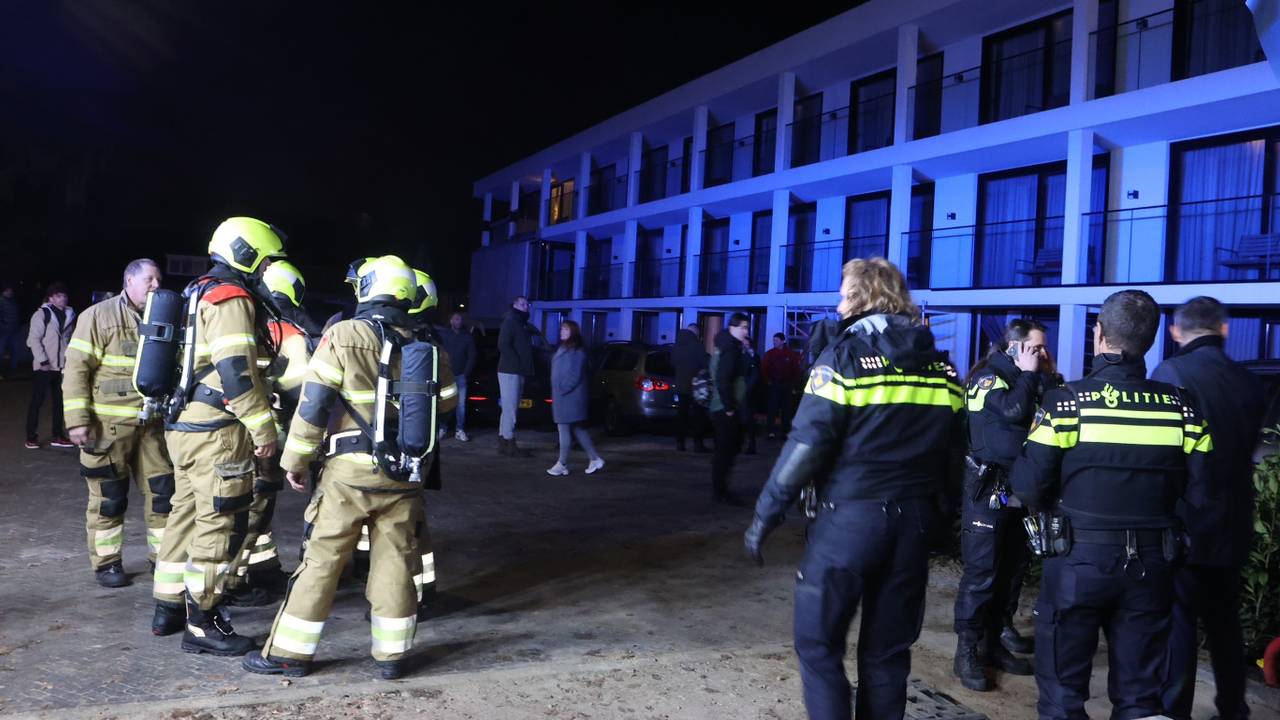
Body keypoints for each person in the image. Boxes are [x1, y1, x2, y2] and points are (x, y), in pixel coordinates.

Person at [744, 257, 964, 720]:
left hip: (850, 522)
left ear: (861, 297)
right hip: (913, 527)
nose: (838, 302)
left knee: (819, 646)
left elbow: (807, 444)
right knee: (887, 657)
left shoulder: (843, 360)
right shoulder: (942, 370)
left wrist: (766, 513)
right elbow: (954, 456)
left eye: (844, 293)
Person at [243, 255, 457, 680]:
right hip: (404, 474)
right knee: (396, 560)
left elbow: (314, 404)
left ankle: (288, 653)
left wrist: (295, 461)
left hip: (348, 473)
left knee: (322, 559)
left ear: (368, 288)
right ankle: (392, 656)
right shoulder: (429, 343)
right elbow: (446, 403)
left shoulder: (345, 333)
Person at [1011, 289, 1213, 720]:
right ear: (1152, 340)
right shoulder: (1180, 408)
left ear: (1098, 334)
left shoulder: (1067, 403)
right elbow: (1205, 488)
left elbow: (1027, 486)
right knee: (1141, 700)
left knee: (1063, 698)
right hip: (1153, 566)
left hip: (1076, 566)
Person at [150, 217, 286, 654]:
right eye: (265, 263)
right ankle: (204, 625)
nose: (266, 272)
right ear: (248, 255)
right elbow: (236, 370)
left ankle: (168, 607)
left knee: (184, 514)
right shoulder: (229, 298)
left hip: (184, 426)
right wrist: (263, 428)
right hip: (217, 433)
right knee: (217, 521)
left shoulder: (196, 292)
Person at [1155, 297, 1264, 720]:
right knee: (1225, 624)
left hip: (1186, 519)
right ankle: (1233, 708)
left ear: (1176, 331)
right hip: (1234, 520)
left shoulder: (1171, 373)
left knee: (1180, 623)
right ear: (1224, 330)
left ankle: (1175, 710)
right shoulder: (1249, 381)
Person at [62, 259, 173, 588]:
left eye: (159, 280)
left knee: (164, 495)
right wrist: (77, 421)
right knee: (109, 498)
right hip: (107, 428)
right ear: (129, 280)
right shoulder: (97, 316)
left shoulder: (165, 317)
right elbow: (76, 371)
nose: (155, 285)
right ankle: (107, 563)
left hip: (152, 427)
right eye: (149, 279)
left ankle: (163, 559)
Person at [952, 319, 1050, 691]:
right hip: (987, 490)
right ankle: (967, 652)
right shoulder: (988, 380)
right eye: (1036, 348)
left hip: (1017, 490)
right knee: (982, 575)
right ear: (1014, 347)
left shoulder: (1029, 378)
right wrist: (1029, 376)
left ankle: (994, 643)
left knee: (1011, 570)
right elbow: (1013, 412)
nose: (1042, 355)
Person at [221, 259, 316, 603]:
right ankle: (233, 580)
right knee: (254, 508)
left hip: (230, 433)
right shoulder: (289, 332)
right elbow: (302, 393)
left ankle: (261, 569)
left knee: (248, 509)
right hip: (264, 440)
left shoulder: (245, 322)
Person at [547, 320, 604, 476]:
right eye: (562, 329)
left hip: (569, 397)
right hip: (565, 396)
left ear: (573, 331)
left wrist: (562, 389)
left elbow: (575, 375)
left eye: (565, 329)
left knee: (564, 429)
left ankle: (562, 463)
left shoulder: (577, 352)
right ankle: (594, 458)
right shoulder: (564, 349)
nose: (562, 331)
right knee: (578, 429)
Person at [26, 282, 76, 449]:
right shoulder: (42, 314)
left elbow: (68, 340)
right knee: (37, 402)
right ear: (51, 298)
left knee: (59, 402)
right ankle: (31, 437)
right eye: (59, 296)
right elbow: (33, 339)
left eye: (65, 296)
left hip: (61, 366)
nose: (63, 299)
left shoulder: (69, 313)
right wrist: (43, 361)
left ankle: (58, 435)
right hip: (44, 366)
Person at [709, 313, 750, 504]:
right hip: (725, 408)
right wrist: (729, 407)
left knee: (727, 448)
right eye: (743, 327)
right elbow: (723, 380)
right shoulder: (729, 349)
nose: (746, 331)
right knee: (726, 450)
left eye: (747, 328)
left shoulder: (727, 346)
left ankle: (721, 488)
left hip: (724, 406)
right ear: (732, 328)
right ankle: (720, 491)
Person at [497, 295, 534, 457]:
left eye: (527, 304)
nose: (526, 306)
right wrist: (517, 363)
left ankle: (504, 441)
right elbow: (503, 344)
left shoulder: (519, 322)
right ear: (515, 305)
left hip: (515, 370)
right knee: (511, 409)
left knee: (508, 408)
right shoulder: (512, 321)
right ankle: (509, 442)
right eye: (522, 304)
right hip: (511, 371)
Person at [440, 311, 476, 442]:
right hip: (446, 376)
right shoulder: (444, 335)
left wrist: (466, 373)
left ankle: (459, 430)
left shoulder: (467, 337)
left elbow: (471, 356)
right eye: (455, 319)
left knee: (460, 405)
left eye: (460, 319)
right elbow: (439, 352)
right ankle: (443, 428)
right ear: (451, 321)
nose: (458, 322)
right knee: (445, 403)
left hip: (460, 375)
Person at [672, 323, 709, 453]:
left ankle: (680, 443)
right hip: (695, 385)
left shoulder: (677, 345)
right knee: (698, 416)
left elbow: (672, 362)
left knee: (682, 415)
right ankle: (698, 444)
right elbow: (705, 363)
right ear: (696, 333)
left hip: (681, 385)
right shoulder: (697, 345)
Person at [762, 332, 802, 438]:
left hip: (787, 385)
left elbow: (796, 370)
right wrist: (768, 381)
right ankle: (770, 431)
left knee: (786, 410)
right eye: (774, 340)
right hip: (774, 384)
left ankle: (784, 431)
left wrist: (793, 384)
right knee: (772, 409)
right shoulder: (770, 354)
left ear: (783, 341)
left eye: (776, 340)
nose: (774, 342)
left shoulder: (790, 354)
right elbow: (765, 369)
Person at [741, 334, 761, 456]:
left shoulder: (753, 357)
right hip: (742, 391)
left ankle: (751, 445)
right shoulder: (740, 355)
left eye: (746, 345)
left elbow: (755, 374)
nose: (745, 346)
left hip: (748, 393)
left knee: (748, 419)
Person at [0, 285, 21, 378]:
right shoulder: (1, 301)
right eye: (7, 290)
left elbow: (18, 314)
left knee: (15, 351)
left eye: (10, 290)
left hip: (14, 331)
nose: (9, 292)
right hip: (3, 332)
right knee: (1, 352)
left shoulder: (14, 301)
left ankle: (13, 371)